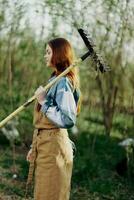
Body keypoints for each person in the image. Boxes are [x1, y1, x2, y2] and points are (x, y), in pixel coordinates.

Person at [26, 37, 81, 200]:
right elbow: (45, 122)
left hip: (55, 149)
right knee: (43, 193)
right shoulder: (54, 79)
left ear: (59, 54)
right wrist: (33, 147)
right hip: (46, 145)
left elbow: (68, 119)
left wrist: (44, 101)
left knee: (51, 194)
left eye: (48, 52)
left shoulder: (63, 82)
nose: (45, 56)